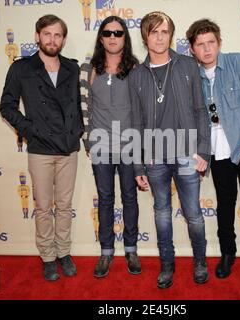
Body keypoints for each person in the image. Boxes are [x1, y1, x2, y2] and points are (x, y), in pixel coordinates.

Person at [186, 18, 240, 290]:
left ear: (219, 43)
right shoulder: (193, 76)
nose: (207, 49)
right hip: (217, 152)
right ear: (192, 49)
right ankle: (228, 254)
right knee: (224, 204)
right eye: (200, 44)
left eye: (211, 42)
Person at [129, 11, 211, 289]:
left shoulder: (188, 65)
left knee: (193, 213)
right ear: (145, 37)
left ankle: (200, 261)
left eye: (164, 31)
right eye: (154, 32)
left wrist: (203, 150)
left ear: (171, 35)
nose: (160, 37)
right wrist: (138, 165)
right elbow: (136, 123)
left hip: (188, 152)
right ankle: (167, 264)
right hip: (154, 156)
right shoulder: (137, 75)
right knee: (162, 213)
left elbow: (201, 111)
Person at [0, 14, 84, 281]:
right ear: (38, 36)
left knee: (64, 205)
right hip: (40, 149)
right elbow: (7, 106)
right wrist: (31, 130)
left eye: (57, 35)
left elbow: (82, 105)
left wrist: (78, 131)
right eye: (47, 34)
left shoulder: (73, 68)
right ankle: (48, 256)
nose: (52, 39)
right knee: (44, 206)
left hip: (68, 148)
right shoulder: (21, 68)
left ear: (63, 39)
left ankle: (64, 252)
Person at [80, 16, 141, 278]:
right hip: (101, 145)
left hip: (129, 144)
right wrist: (88, 141)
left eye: (118, 32)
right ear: (101, 37)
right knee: (105, 199)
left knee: (130, 196)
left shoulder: (136, 68)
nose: (113, 37)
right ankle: (106, 251)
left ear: (125, 37)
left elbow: (142, 110)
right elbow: (83, 109)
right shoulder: (88, 68)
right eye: (107, 32)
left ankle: (131, 249)